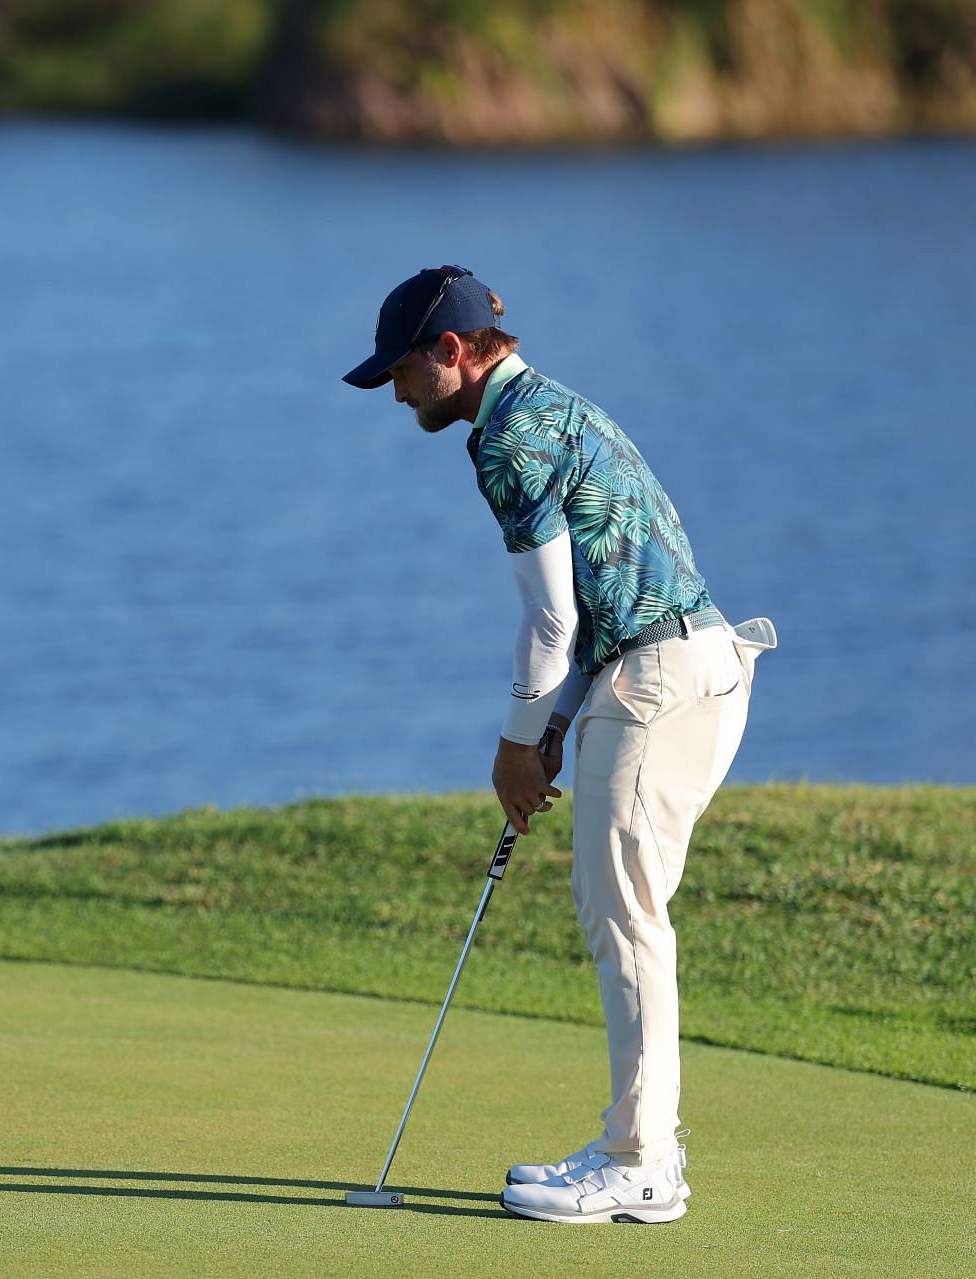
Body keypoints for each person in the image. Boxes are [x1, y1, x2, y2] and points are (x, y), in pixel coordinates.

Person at [342, 266, 774, 1225]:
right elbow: (590, 616)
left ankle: (641, 1163)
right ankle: (639, 1145)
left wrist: (510, 750)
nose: (397, 390)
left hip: (659, 681)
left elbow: (548, 624)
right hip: (685, 669)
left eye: (405, 368)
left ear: (452, 351)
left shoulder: (507, 439)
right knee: (622, 908)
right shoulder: (555, 410)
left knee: (624, 916)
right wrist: (550, 728)